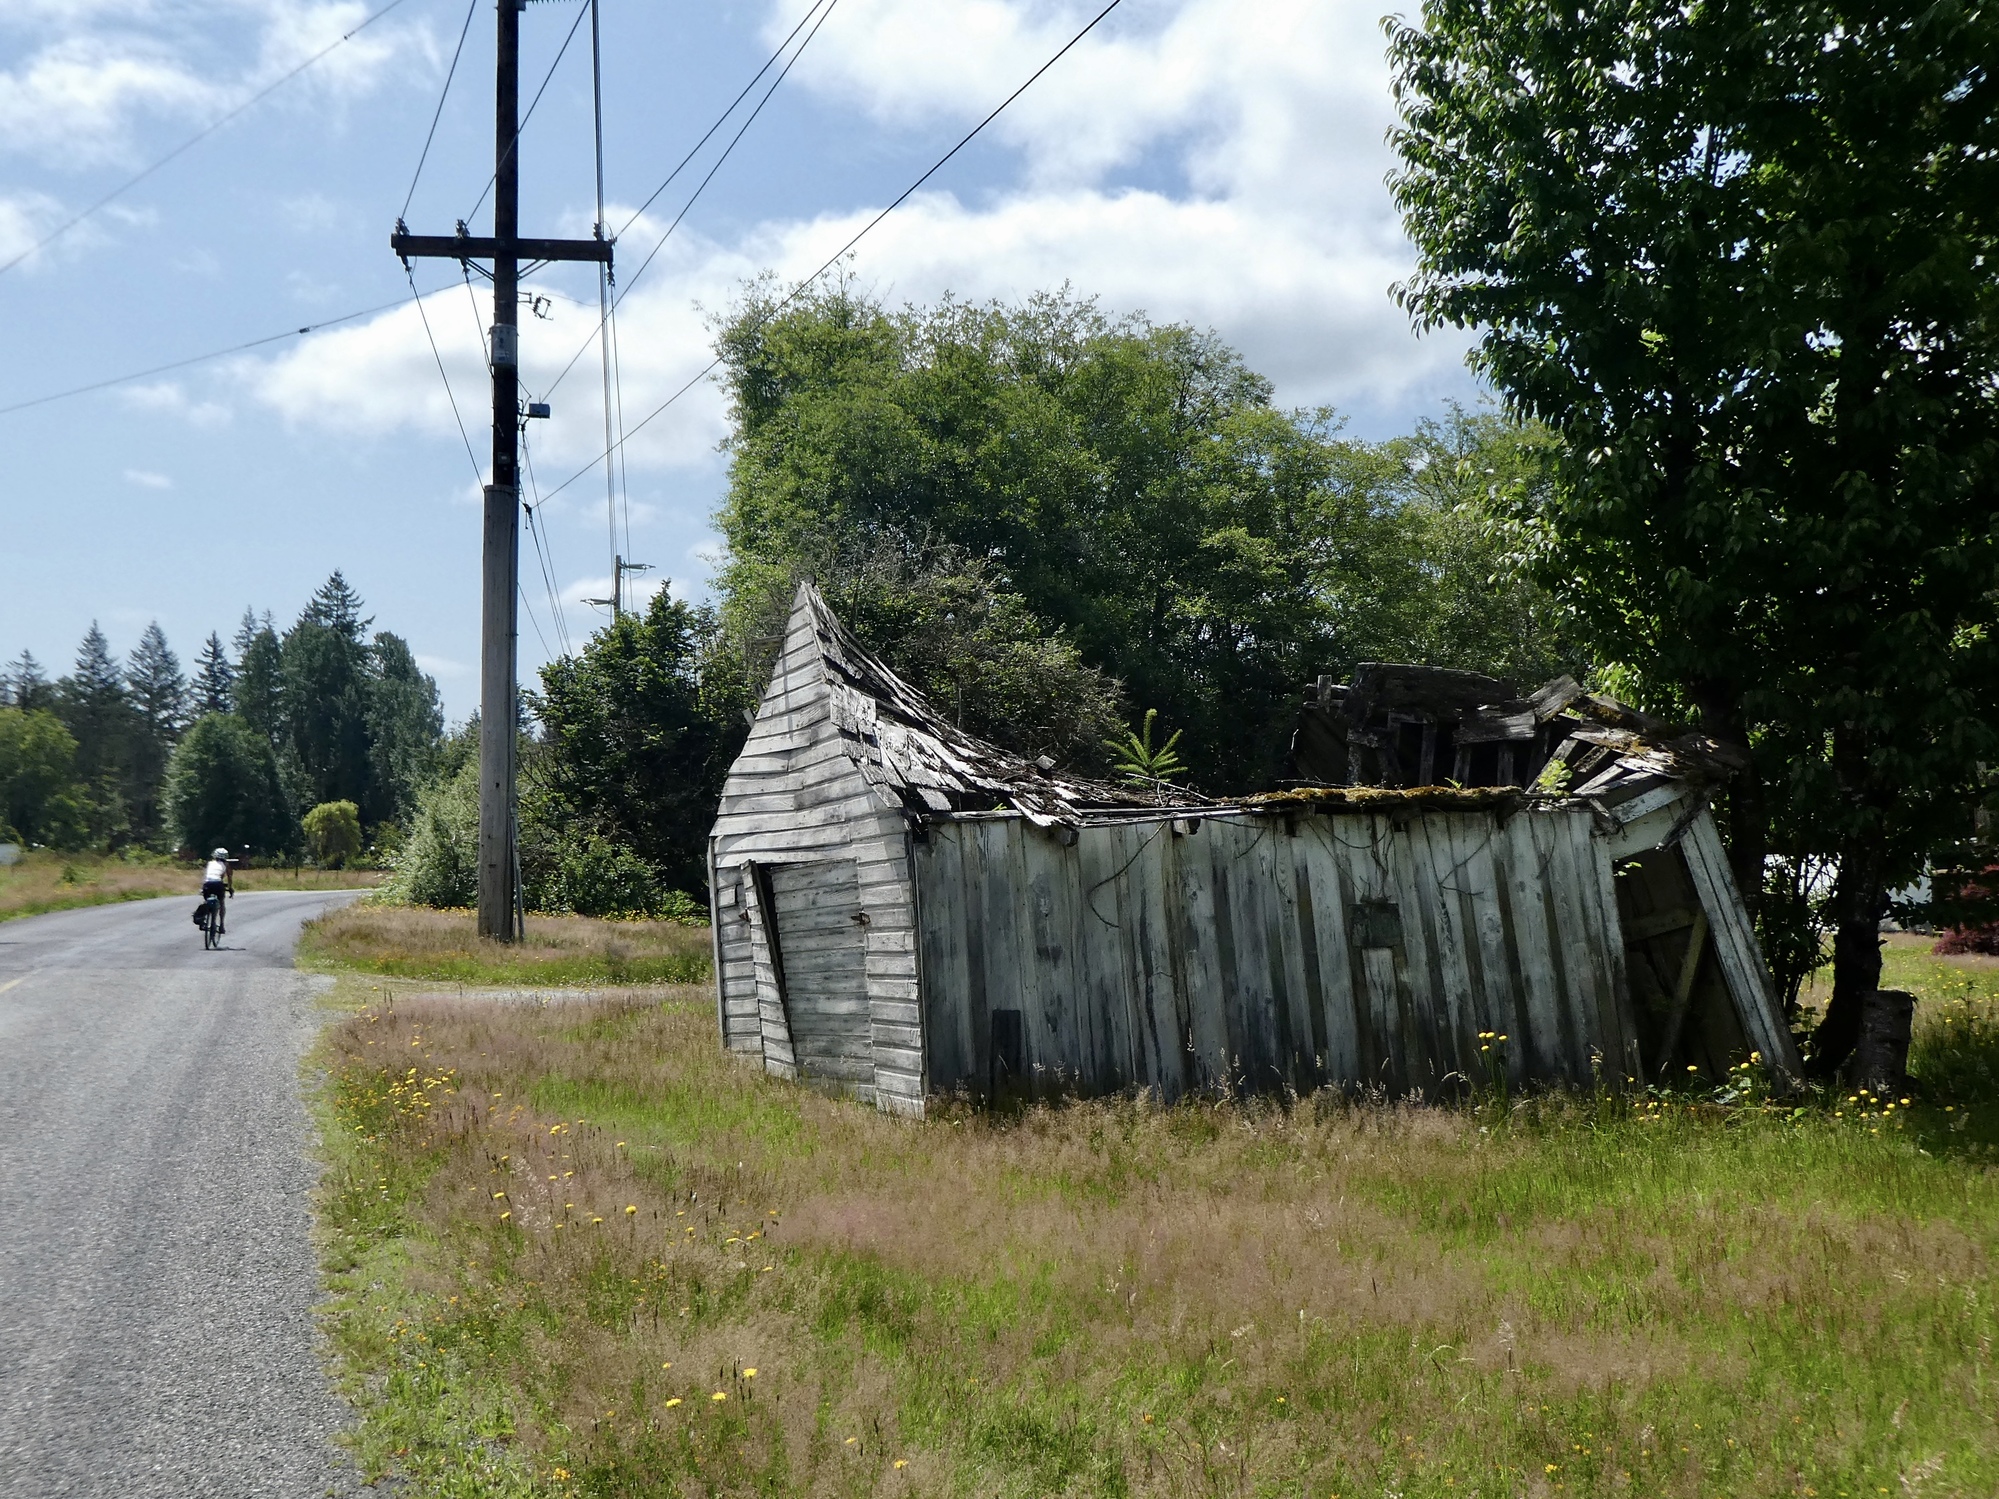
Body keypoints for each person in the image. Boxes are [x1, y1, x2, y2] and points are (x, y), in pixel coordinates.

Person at [201, 847, 234, 936]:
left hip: (207, 884)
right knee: (221, 903)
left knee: (206, 901)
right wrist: (230, 888)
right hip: (218, 884)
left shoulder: (209, 863)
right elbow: (229, 877)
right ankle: (222, 925)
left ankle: (204, 917)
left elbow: (206, 876)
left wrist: (202, 888)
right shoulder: (226, 865)